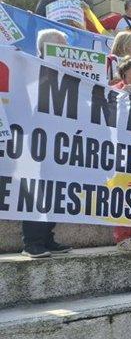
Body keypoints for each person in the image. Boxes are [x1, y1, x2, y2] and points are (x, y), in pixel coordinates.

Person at [19, 30, 74, 258]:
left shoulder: (68, 74)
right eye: (60, 46)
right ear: (44, 48)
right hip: (34, 142)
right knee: (35, 192)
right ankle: (31, 242)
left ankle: (47, 237)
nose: (65, 50)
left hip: (59, 143)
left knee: (55, 191)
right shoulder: (29, 69)